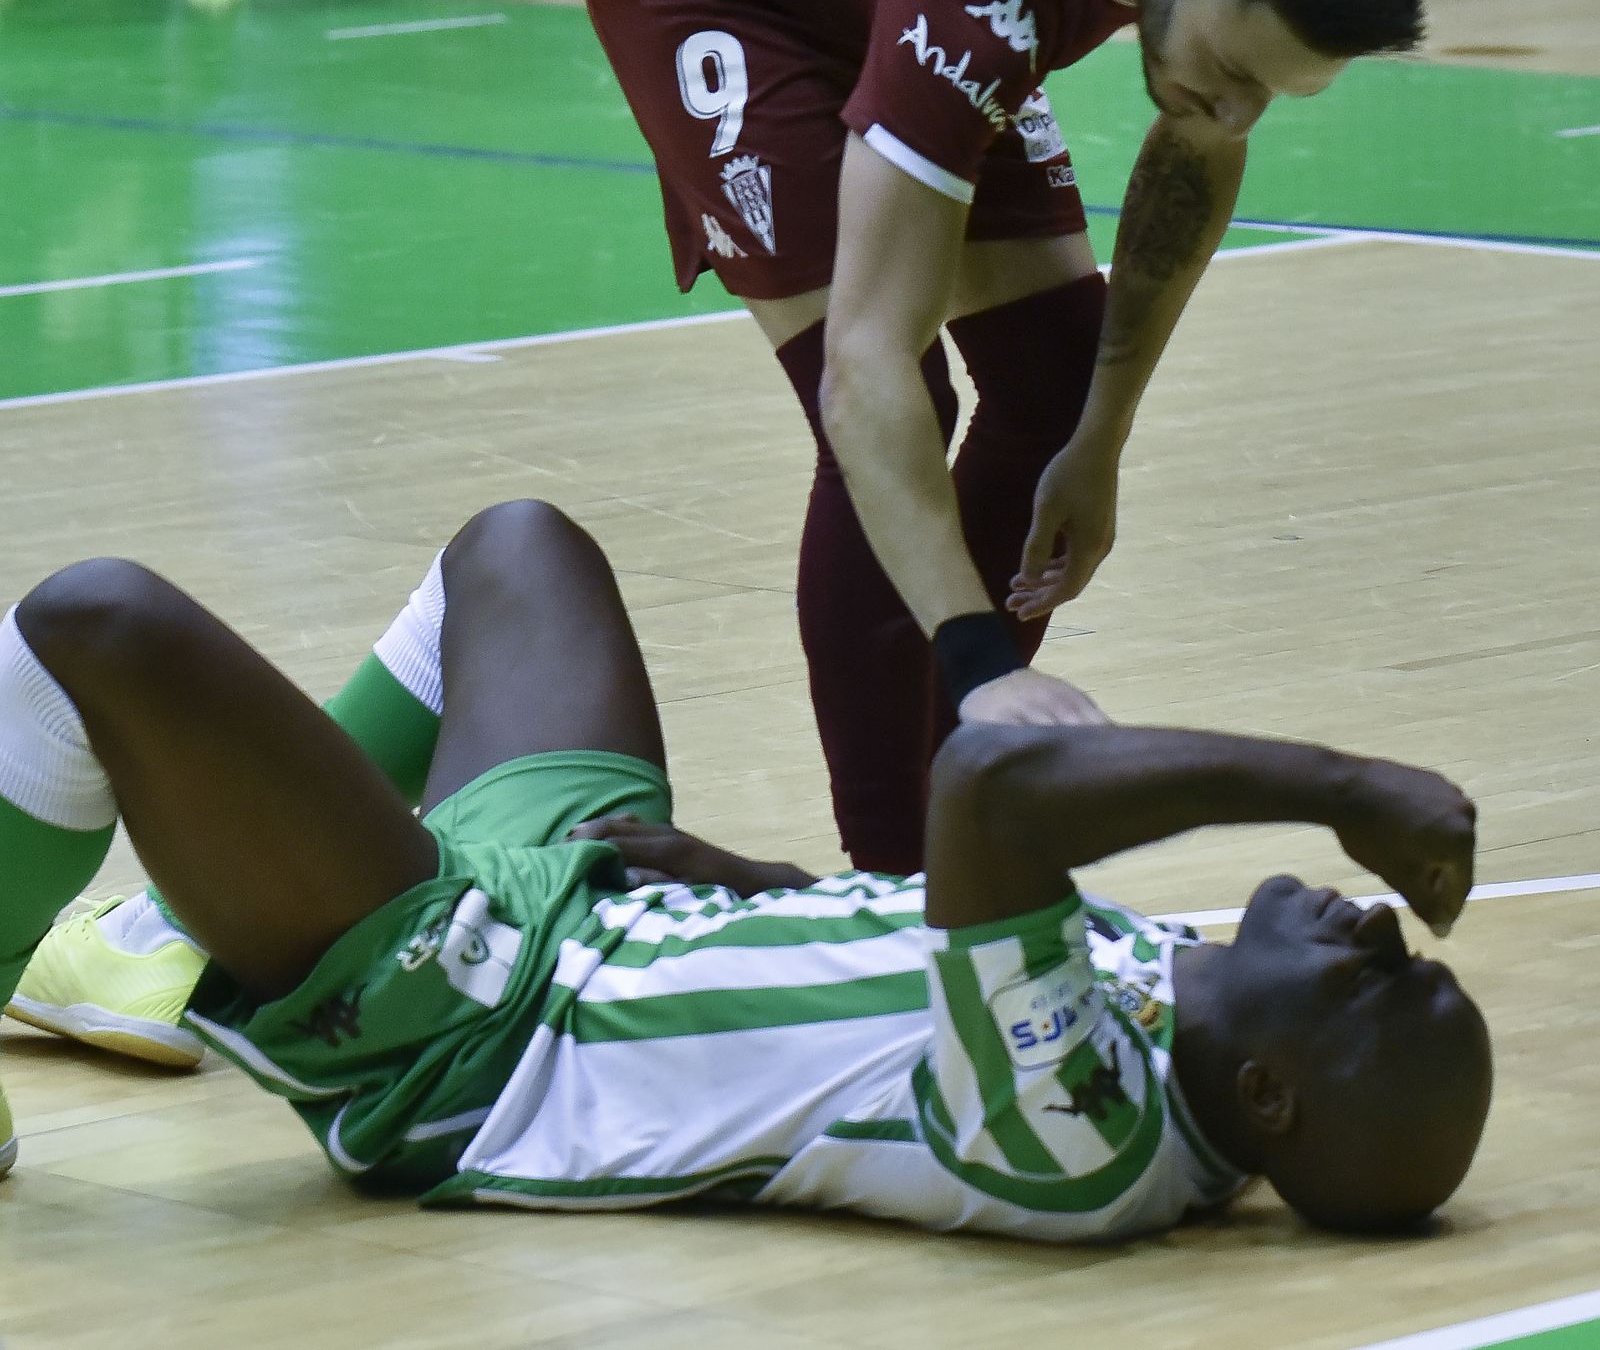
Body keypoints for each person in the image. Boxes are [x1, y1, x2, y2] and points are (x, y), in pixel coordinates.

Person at [1, 497, 1490, 1237]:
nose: (1370, 924)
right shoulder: (1180, 1000)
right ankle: (182, 917)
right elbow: (895, 999)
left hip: (471, 1036)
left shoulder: (1084, 1135)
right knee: (519, 548)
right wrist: (765, 890)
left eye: (1380, 982)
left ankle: (188, 912)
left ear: (1273, 1095)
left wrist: (1342, 783)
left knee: (99, 623)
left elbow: (985, 781)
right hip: (605, 910)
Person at [581, 0, 1425, 874]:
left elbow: (1196, 145)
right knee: (896, 400)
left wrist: (1102, 444)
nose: (1235, 113)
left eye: (1270, 94)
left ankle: (958, 800)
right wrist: (977, 658)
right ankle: (897, 880)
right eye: (1230, 72)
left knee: (1056, 378)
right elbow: (865, 367)